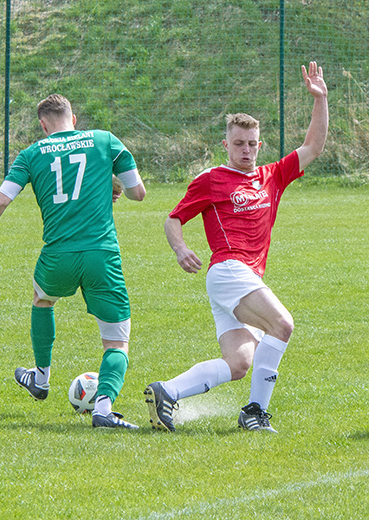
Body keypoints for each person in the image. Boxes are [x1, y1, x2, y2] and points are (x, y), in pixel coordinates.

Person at [144, 62, 328, 433]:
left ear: (259, 145)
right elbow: (173, 219)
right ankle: (255, 413)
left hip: (241, 277)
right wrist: (180, 249)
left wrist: (320, 100)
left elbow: (313, 146)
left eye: (251, 144)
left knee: (240, 362)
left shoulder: (271, 175)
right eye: (238, 144)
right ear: (226, 145)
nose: (246, 150)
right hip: (228, 270)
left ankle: (167, 392)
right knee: (282, 324)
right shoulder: (211, 179)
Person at [0, 94, 146, 429]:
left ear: (43, 125)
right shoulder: (105, 140)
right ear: (75, 117)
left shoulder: (31, 154)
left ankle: (40, 378)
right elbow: (137, 193)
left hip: (58, 255)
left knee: (43, 299)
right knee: (116, 341)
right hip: (101, 254)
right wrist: (113, 182)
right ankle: (103, 407)